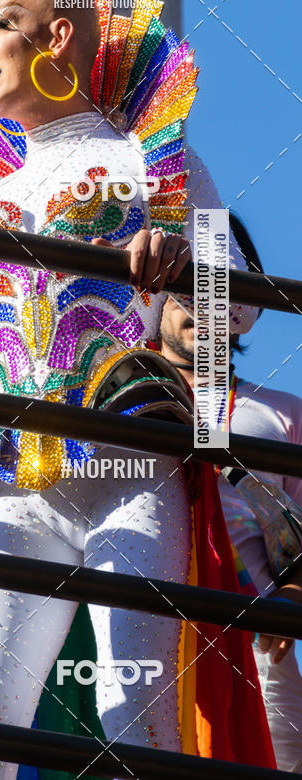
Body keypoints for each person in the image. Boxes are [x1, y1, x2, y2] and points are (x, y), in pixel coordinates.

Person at [0, 0, 274, 777]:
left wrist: (179, 270)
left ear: (59, 39)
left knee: (135, 715)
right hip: (10, 477)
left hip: (127, 462)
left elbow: (235, 302)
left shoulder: (158, 157)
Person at [160, 215, 302, 773]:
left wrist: (291, 600)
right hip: (140, 637)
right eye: (182, 283)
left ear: (245, 307)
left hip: (258, 648)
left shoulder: (285, 413)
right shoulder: (108, 403)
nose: (198, 301)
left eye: (216, 284)